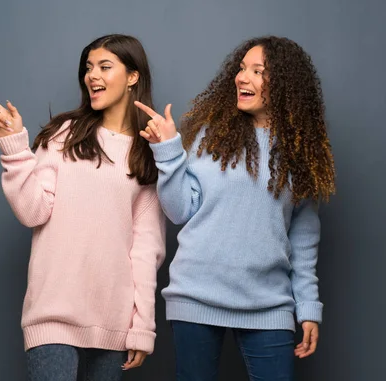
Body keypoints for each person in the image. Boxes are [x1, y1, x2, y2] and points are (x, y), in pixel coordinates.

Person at [135, 35, 336, 381]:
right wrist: (167, 151)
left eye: (258, 71)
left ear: (286, 84)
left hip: (268, 306)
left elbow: (303, 241)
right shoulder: (210, 135)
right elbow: (180, 211)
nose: (242, 78)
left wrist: (308, 307)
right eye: (242, 68)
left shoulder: (300, 154)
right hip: (195, 296)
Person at [0, 34, 166, 381]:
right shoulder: (64, 135)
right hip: (53, 314)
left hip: (114, 321)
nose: (91, 76)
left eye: (104, 66)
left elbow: (145, 249)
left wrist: (142, 327)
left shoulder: (146, 155)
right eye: (88, 68)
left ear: (133, 76)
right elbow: (33, 211)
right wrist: (15, 149)